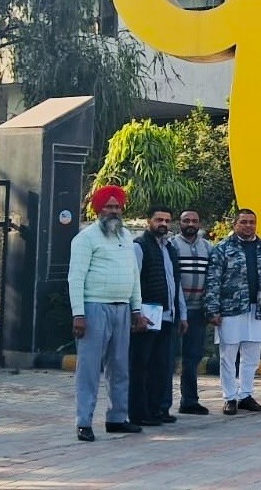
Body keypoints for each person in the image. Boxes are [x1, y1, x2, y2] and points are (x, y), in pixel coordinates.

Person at [69, 185, 146, 441]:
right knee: (89, 369)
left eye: (117, 207)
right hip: (94, 308)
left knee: (120, 367)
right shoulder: (85, 238)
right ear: (97, 210)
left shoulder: (126, 236)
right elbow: (75, 278)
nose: (113, 211)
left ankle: (117, 418)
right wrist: (78, 314)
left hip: (122, 308)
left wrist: (137, 309)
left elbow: (134, 276)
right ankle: (84, 422)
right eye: (108, 207)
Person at [204, 208, 261, 416]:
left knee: (252, 356)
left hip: (258, 310)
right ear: (235, 224)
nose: (248, 226)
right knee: (228, 355)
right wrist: (212, 309)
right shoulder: (222, 249)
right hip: (230, 310)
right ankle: (229, 397)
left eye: (251, 222)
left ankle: (246, 395)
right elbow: (212, 281)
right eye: (244, 222)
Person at [130, 207, 186, 427]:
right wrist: (136, 313)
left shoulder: (170, 248)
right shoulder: (139, 246)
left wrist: (182, 314)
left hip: (167, 315)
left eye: (167, 220)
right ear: (148, 221)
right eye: (159, 219)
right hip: (147, 316)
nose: (163, 224)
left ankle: (157, 409)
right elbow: (133, 282)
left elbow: (175, 284)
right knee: (141, 366)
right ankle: (139, 413)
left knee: (161, 366)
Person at [169, 210, 212, 415]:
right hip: (175, 311)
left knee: (192, 358)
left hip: (198, 311)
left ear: (199, 223)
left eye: (194, 221)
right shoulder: (172, 245)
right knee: (167, 357)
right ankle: (161, 403)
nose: (190, 224)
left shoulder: (208, 247)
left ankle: (189, 400)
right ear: (180, 223)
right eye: (186, 220)